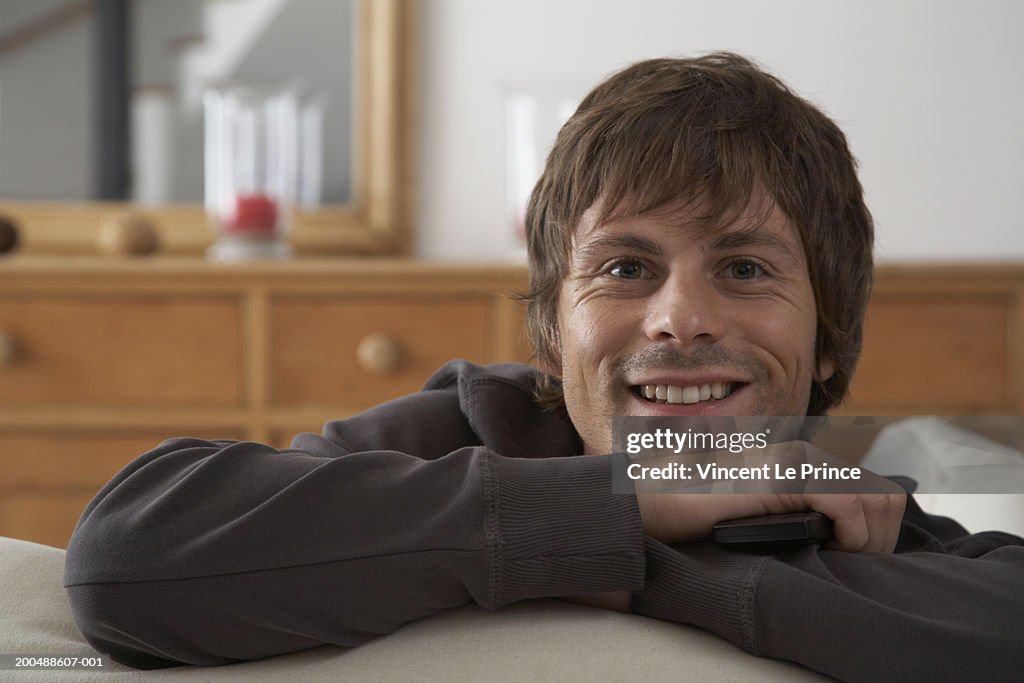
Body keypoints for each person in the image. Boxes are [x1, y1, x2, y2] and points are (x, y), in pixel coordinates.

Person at [64, 53, 1023, 680]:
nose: (679, 318)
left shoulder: (834, 500)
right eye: (624, 268)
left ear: (828, 342)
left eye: (742, 267)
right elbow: (123, 562)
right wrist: (615, 506)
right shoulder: (460, 433)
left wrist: (635, 561)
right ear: (552, 331)